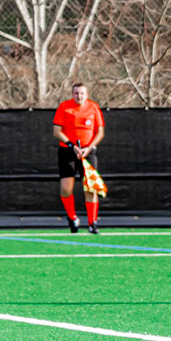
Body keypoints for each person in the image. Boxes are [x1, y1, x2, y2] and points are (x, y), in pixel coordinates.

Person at [52, 82, 106, 234]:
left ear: (86, 94)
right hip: (68, 152)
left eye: (82, 93)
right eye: (76, 93)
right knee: (65, 188)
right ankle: (72, 218)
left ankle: (92, 223)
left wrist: (89, 148)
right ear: (72, 94)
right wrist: (72, 146)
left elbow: (100, 132)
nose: (79, 96)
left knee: (90, 187)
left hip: (88, 153)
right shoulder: (64, 107)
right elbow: (57, 132)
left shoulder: (93, 108)